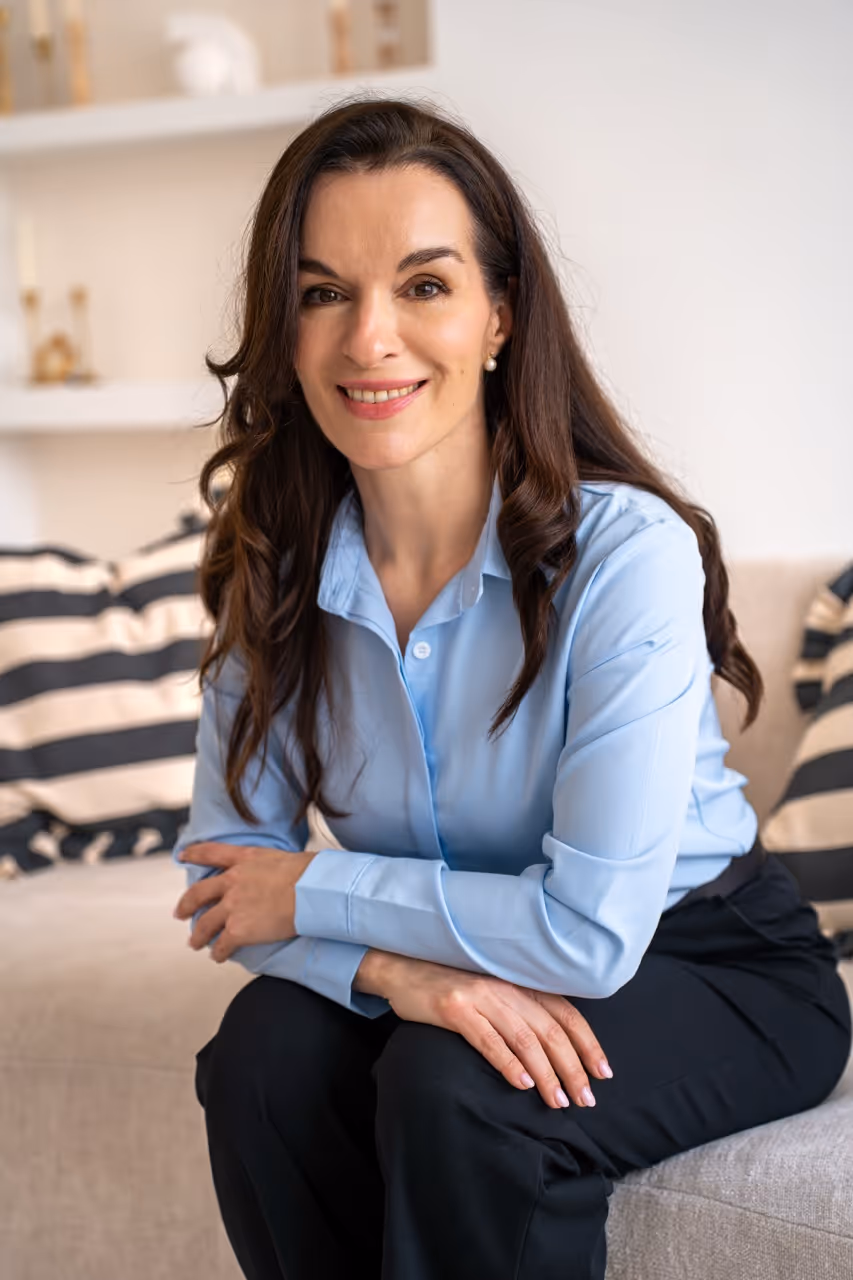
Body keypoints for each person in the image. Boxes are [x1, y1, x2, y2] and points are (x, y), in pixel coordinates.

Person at [170, 96, 851, 1280]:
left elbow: (585, 935)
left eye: (423, 285)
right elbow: (228, 878)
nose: (367, 337)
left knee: (458, 1084)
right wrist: (394, 971)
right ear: (283, 332)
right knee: (261, 1058)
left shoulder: (623, 555)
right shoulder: (270, 566)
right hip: (466, 941)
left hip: (701, 956)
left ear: (498, 317)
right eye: (323, 291)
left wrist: (321, 888)